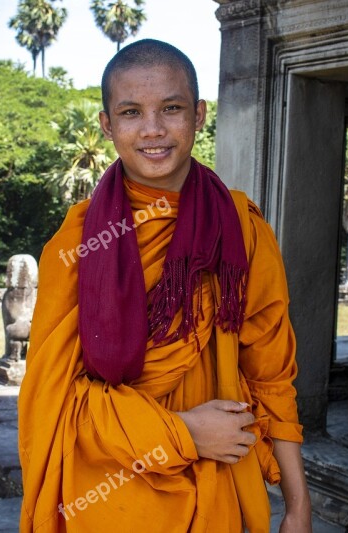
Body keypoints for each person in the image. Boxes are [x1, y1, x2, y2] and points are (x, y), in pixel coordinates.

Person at [18, 39, 312, 533]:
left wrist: (300, 507)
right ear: (107, 125)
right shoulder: (75, 247)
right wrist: (183, 433)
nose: (153, 130)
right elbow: (54, 401)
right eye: (131, 112)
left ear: (198, 115)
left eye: (171, 109)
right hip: (109, 493)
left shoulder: (242, 230)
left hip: (217, 483)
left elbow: (272, 377)